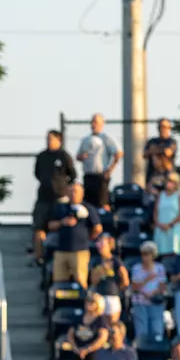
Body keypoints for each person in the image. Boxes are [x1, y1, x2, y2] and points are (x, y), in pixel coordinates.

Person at [32, 129, 77, 261]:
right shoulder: (41, 156)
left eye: (51, 139)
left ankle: (56, 256)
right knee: (39, 227)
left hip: (59, 198)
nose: (48, 141)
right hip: (43, 198)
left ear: (59, 140)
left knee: (58, 226)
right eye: (47, 139)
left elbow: (72, 175)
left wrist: (62, 187)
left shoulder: (64, 156)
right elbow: (37, 173)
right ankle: (39, 257)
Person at [48, 181, 100, 286]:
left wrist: (88, 238)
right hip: (61, 250)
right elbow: (50, 225)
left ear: (82, 193)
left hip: (80, 251)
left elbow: (97, 228)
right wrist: (62, 222)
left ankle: (82, 297)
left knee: (80, 280)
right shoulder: (61, 207)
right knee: (59, 281)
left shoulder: (88, 208)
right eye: (70, 191)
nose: (73, 194)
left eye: (76, 191)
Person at [76, 114, 121, 210]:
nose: (93, 124)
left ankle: (106, 217)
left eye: (96, 122)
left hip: (101, 175)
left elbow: (118, 153)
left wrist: (110, 169)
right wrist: (82, 157)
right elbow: (78, 156)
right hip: (88, 175)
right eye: (92, 122)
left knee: (102, 202)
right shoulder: (85, 139)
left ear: (102, 124)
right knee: (88, 203)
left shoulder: (106, 138)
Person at [129, 243, 168, 345]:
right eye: (143, 254)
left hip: (156, 303)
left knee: (156, 330)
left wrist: (152, 293)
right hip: (140, 303)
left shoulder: (160, 268)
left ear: (153, 255)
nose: (144, 257)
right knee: (141, 332)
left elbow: (162, 286)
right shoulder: (136, 268)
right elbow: (134, 287)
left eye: (147, 254)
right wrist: (147, 279)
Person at [86, 236, 128, 323]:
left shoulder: (115, 261)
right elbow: (93, 282)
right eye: (99, 244)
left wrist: (117, 288)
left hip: (113, 296)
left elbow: (125, 279)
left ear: (109, 246)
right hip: (99, 298)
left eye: (103, 244)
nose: (100, 247)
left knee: (113, 322)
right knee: (101, 323)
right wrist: (101, 271)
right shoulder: (96, 262)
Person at [152, 173, 180, 258]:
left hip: (175, 228)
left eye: (171, 181)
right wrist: (159, 224)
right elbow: (156, 212)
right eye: (168, 181)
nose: (169, 183)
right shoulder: (161, 195)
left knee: (175, 252)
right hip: (161, 228)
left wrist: (170, 224)